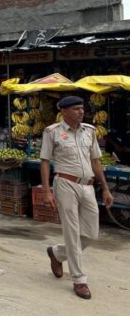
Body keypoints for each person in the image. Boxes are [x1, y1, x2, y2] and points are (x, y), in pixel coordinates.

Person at [41, 96, 113, 300]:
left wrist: (105, 188)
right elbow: (45, 162)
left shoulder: (89, 131)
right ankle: (79, 280)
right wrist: (47, 191)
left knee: (91, 234)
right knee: (72, 232)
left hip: (88, 185)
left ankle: (57, 253)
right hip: (65, 183)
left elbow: (96, 161)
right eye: (75, 109)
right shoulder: (52, 132)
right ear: (63, 111)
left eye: (82, 108)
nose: (80, 112)